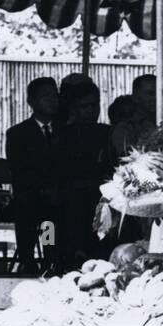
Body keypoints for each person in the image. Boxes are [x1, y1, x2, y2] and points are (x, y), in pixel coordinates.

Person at [53, 78, 114, 269]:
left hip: (100, 189)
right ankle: (60, 256)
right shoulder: (60, 134)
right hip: (68, 191)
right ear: (73, 108)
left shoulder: (106, 132)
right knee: (57, 212)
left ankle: (103, 256)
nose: (91, 110)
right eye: (84, 106)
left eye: (95, 105)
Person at [6, 77, 63, 274]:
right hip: (30, 193)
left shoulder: (65, 131)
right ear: (31, 101)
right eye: (45, 96)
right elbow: (19, 169)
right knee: (28, 206)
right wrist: (43, 189)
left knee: (51, 220)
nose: (52, 100)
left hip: (57, 194)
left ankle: (50, 260)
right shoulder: (17, 133)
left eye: (55, 96)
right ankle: (27, 260)